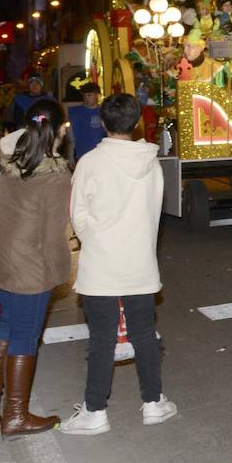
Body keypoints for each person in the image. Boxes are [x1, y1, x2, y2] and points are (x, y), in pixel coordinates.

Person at [61, 93, 176, 434]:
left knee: (102, 338)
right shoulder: (151, 162)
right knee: (143, 335)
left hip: (101, 263)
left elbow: (78, 216)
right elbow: (154, 212)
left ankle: (95, 411)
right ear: (136, 121)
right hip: (140, 261)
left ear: (105, 122)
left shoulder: (90, 163)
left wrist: (97, 235)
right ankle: (153, 403)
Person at [0, 99, 72, 438]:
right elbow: (53, 234)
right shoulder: (56, 174)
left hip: (1, 254)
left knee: (5, 324)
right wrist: (62, 272)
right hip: (29, 263)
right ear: (59, 131)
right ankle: (15, 415)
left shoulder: (11, 161)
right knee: (25, 336)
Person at [68, 82, 106, 157]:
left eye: (89, 95)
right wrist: (70, 154)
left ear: (97, 95)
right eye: (84, 96)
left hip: (101, 154)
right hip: (81, 154)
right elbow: (70, 135)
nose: (86, 98)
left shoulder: (104, 111)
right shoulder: (75, 112)